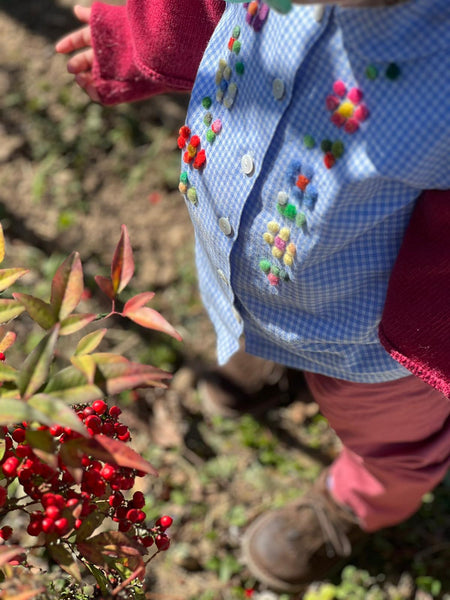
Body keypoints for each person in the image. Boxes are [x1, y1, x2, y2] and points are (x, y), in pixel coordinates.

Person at [56, 0, 450, 592]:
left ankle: (359, 502)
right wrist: (127, 39)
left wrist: (429, 336)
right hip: (254, 265)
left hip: (376, 348)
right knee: (255, 308)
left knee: (393, 440)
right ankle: (272, 347)